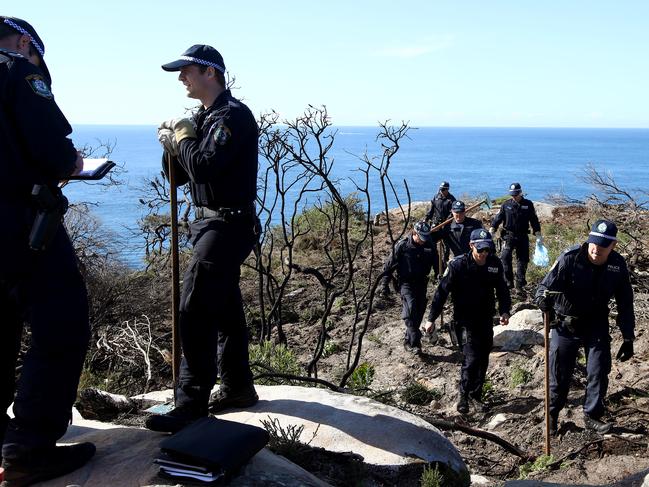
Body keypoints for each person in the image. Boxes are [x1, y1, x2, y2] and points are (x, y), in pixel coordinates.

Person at [0, 16, 95, 484]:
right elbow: (55, 152)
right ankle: (29, 449)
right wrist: (72, 162)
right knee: (63, 323)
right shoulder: (17, 69)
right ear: (24, 43)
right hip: (21, 224)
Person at [146, 45, 259, 434]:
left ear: (210, 72)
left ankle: (190, 403)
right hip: (211, 224)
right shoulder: (205, 117)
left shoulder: (233, 116)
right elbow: (181, 177)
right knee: (225, 308)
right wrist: (173, 144)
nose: (181, 78)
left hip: (227, 225)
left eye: (187, 71)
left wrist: (182, 138)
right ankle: (239, 387)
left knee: (194, 309)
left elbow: (206, 165)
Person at [535, 219, 635, 434]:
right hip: (565, 324)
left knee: (598, 370)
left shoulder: (618, 265)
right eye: (593, 242)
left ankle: (592, 415)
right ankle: (551, 414)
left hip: (596, 324)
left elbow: (625, 302)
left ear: (613, 246)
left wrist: (628, 336)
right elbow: (544, 287)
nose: (596, 249)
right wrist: (543, 299)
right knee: (559, 374)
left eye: (602, 245)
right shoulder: (570, 258)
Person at [424, 229, 511, 414]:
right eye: (481, 250)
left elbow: (502, 289)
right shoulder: (457, 265)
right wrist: (431, 318)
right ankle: (463, 395)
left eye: (487, 250)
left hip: (486, 318)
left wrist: (505, 310)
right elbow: (441, 293)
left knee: (483, 358)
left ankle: (475, 395)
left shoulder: (494, 263)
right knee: (471, 358)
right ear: (471, 246)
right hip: (464, 319)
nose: (484, 254)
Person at [381, 221, 439, 356]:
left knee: (418, 312)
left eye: (426, 237)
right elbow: (388, 266)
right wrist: (384, 285)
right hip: (405, 283)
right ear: (414, 233)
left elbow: (436, 262)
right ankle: (415, 342)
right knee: (410, 308)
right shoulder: (402, 246)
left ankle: (408, 340)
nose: (423, 241)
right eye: (421, 237)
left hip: (422, 283)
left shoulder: (429, 244)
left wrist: (438, 274)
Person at [489, 182, 542, 291]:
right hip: (509, 236)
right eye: (512, 194)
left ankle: (520, 284)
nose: (514, 196)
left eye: (516, 194)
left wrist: (538, 235)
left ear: (520, 192)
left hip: (522, 236)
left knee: (522, 260)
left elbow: (534, 220)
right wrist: (492, 230)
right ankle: (508, 282)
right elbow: (498, 218)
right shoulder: (506, 204)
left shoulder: (528, 204)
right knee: (505, 257)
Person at [425, 181, 456, 278]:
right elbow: (431, 210)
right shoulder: (436, 197)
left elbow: (453, 213)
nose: (442, 191)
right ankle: (435, 263)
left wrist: (446, 222)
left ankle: (445, 262)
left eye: (443, 189)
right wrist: (426, 219)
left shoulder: (451, 200)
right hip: (436, 225)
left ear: (447, 189)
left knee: (447, 247)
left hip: (447, 226)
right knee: (431, 243)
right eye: (441, 189)